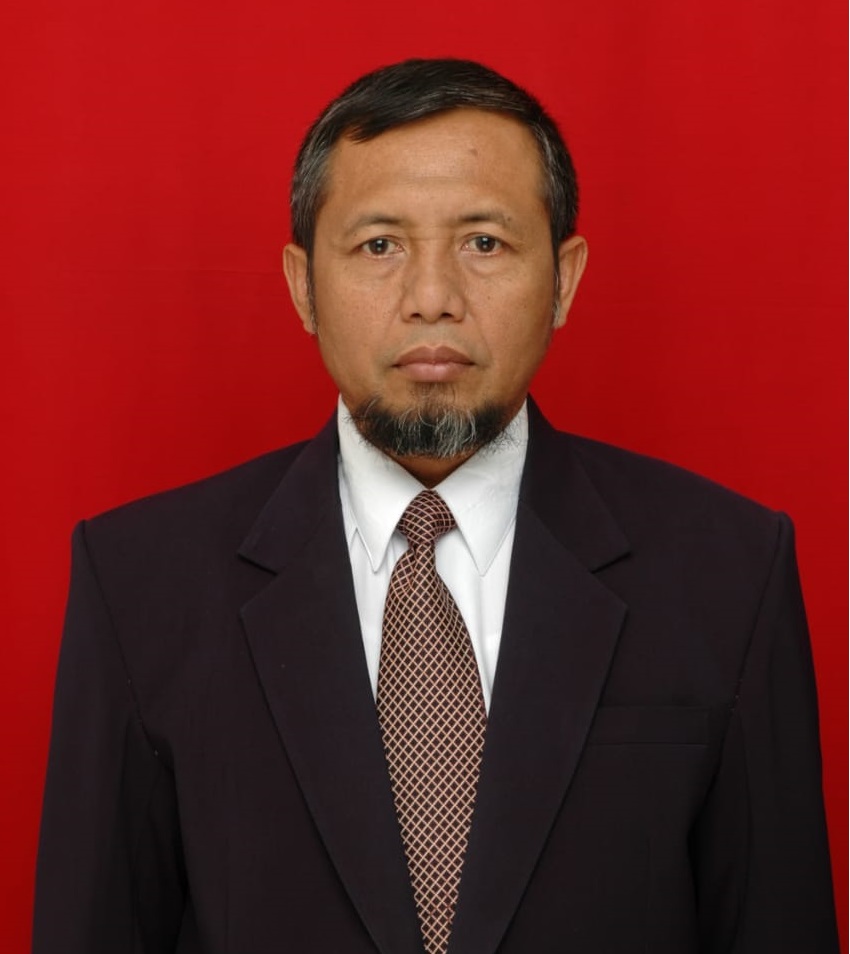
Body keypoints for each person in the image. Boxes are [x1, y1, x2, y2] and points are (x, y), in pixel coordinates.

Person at [33, 58, 838, 954]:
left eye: (484, 242)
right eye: (379, 245)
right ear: (302, 285)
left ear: (564, 279)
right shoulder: (139, 583)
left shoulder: (730, 571)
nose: (431, 300)